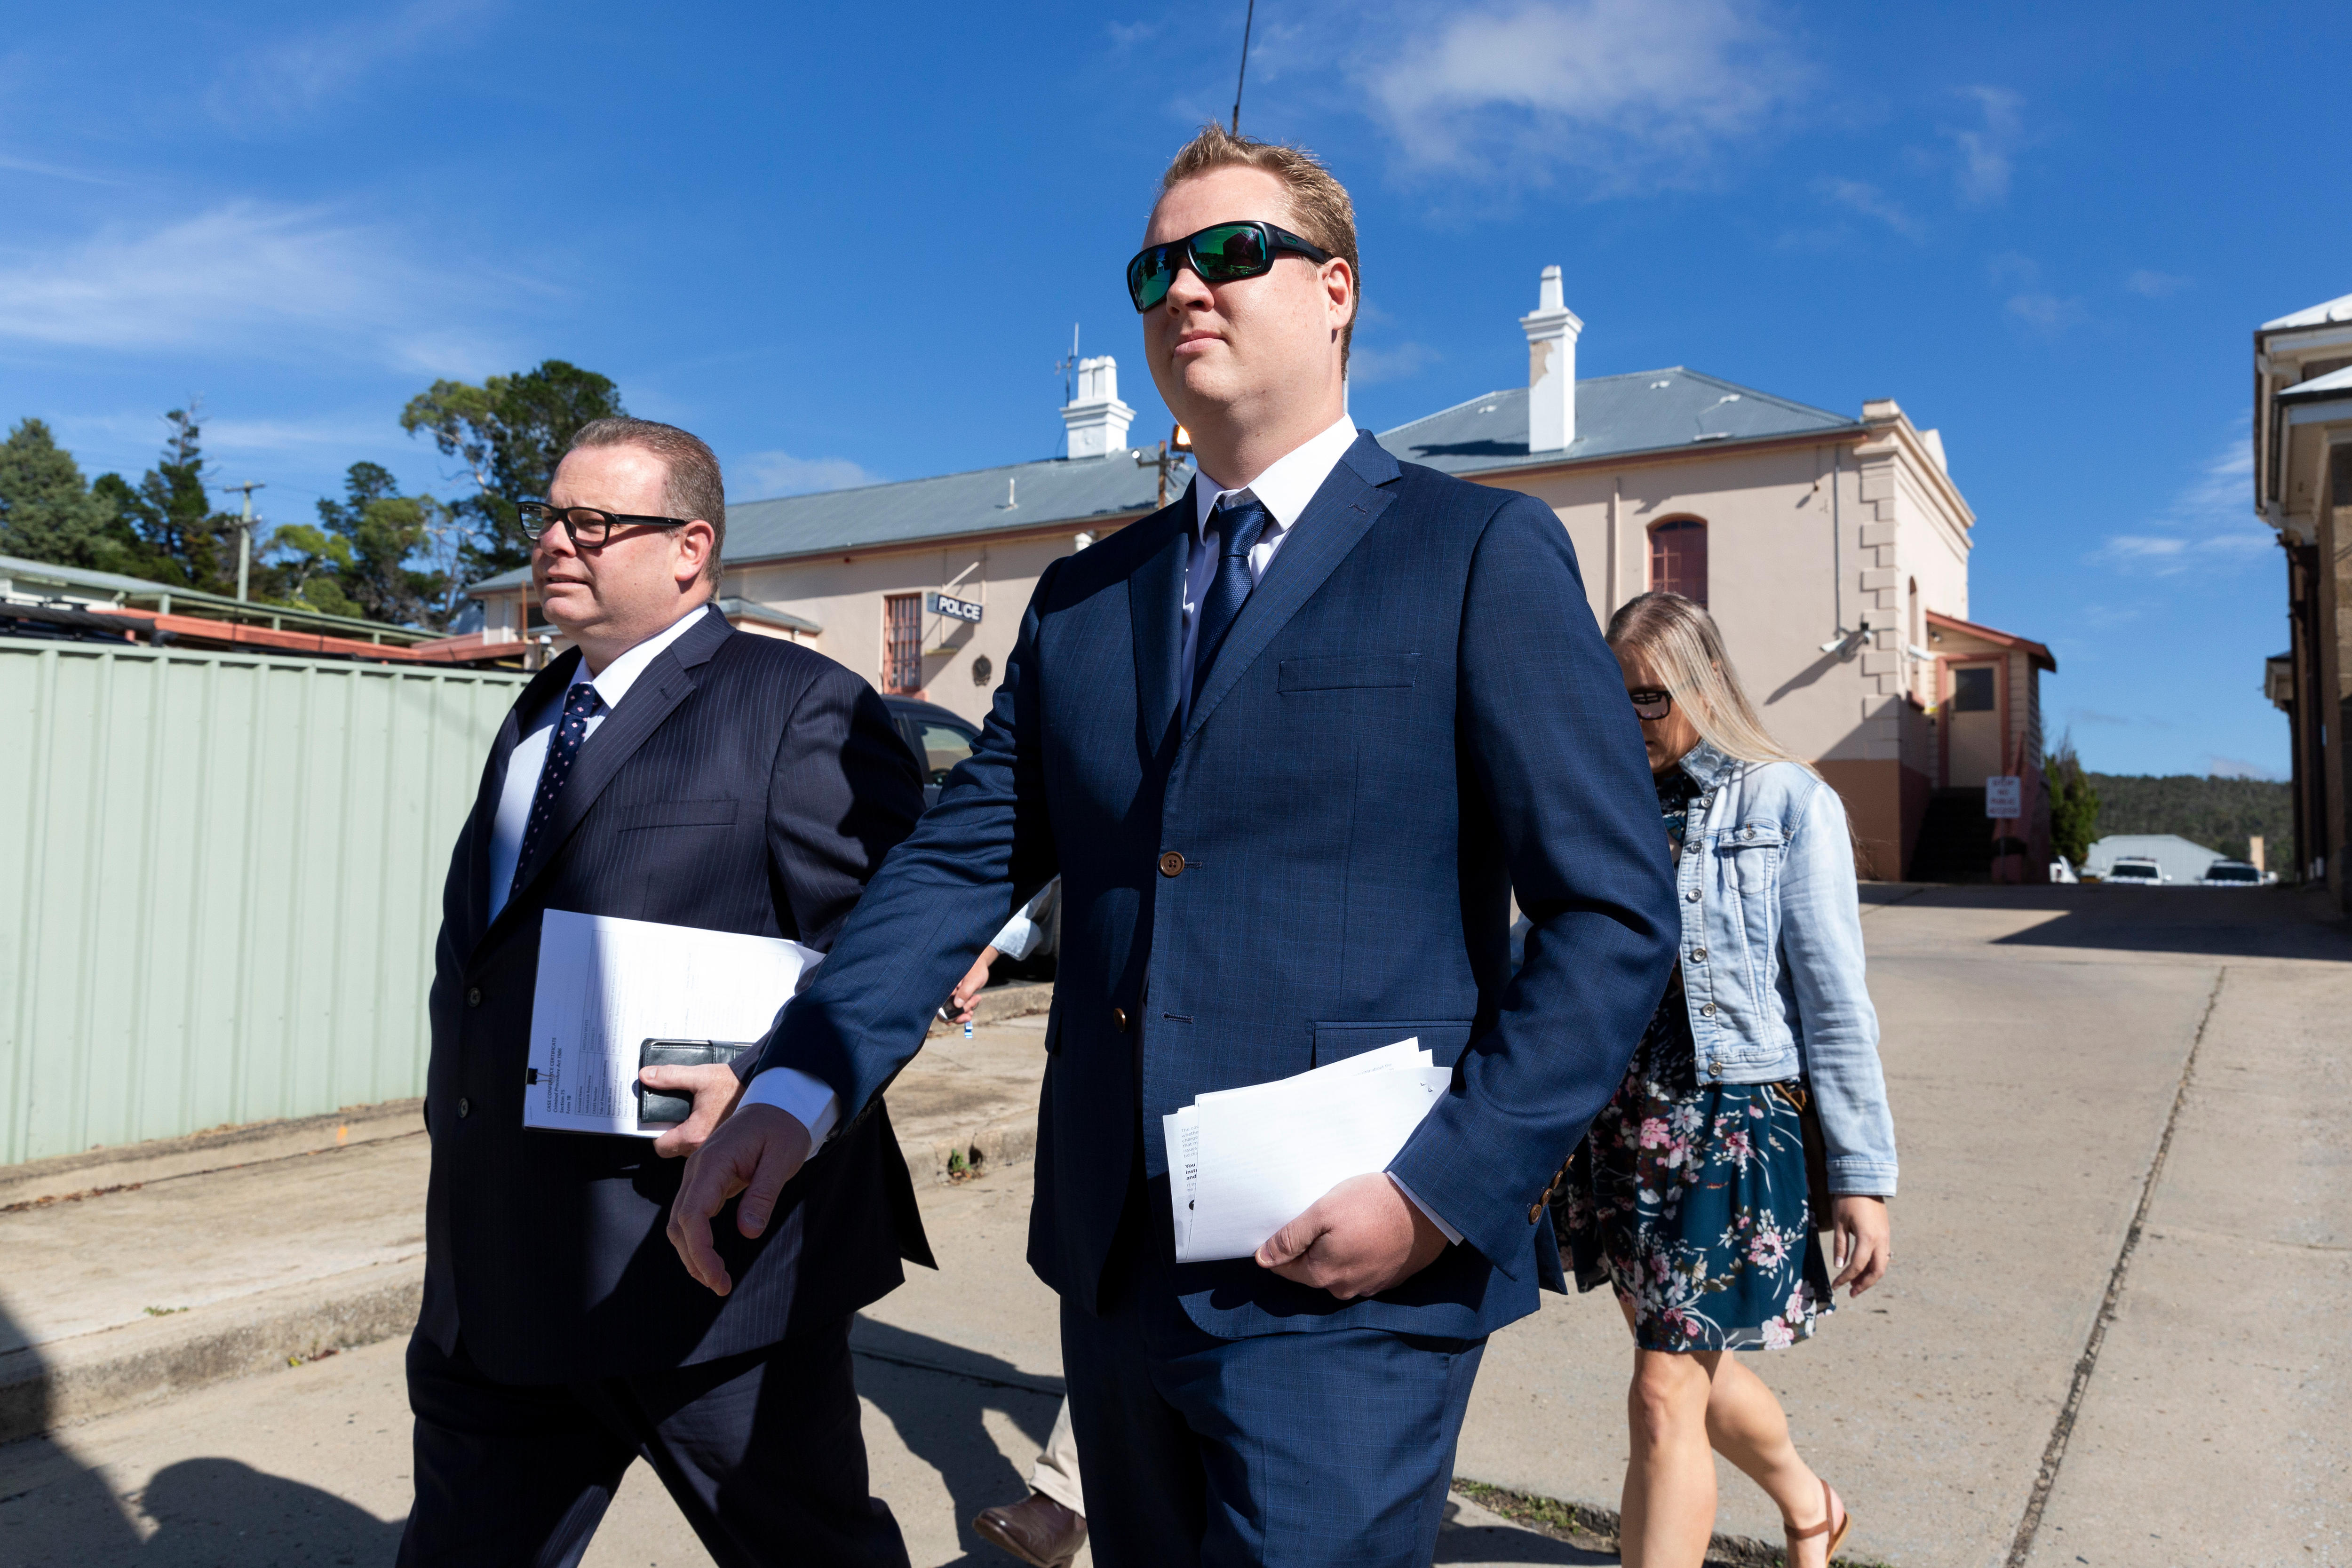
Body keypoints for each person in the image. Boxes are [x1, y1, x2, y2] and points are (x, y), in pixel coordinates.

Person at [670, 125, 1678, 1568]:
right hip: (1117, 1262)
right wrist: (800, 1080)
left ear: (1336, 290)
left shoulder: (1474, 553)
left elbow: (1612, 915)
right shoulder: (1087, 600)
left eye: (1228, 253)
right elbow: (959, 863)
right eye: (1157, 266)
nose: (1182, 288)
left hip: (1352, 1272)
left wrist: (1441, 1189)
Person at [402, 417, 930, 1567]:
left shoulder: (800, 706)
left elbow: (901, 946)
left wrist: (776, 1080)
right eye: (547, 518)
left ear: (690, 549)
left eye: (590, 523)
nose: (553, 543)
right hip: (497, 1268)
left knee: (808, 1549)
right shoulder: (538, 711)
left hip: (703, 1271)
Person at [1551, 591, 1898, 1568]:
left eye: (1649, 698)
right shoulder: (1596, 800)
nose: (1630, 719)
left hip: (1727, 1125)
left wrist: (1861, 1177)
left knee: (1664, 1390)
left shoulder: (1786, 799)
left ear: (1701, 685)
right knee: (1684, 1368)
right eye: (1609, 697)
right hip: (1618, 1125)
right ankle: (1809, 1499)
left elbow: (1833, 997)